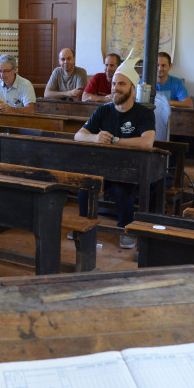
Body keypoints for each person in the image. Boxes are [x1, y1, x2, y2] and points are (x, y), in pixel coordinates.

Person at [74, 51, 155, 249]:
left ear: (133, 90)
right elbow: (78, 135)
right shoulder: (103, 110)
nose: (115, 88)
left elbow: (147, 142)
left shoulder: (143, 113)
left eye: (121, 84)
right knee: (84, 188)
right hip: (102, 166)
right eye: (113, 84)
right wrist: (95, 137)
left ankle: (125, 230)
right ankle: (83, 227)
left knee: (122, 190)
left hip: (131, 169)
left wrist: (115, 140)